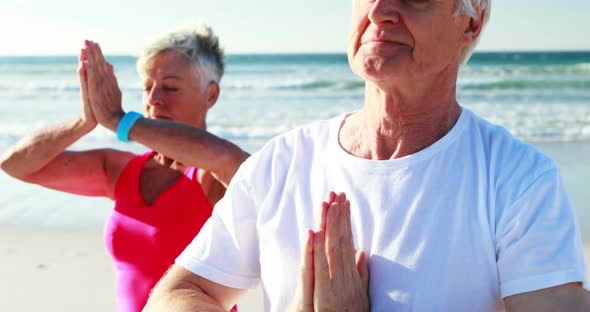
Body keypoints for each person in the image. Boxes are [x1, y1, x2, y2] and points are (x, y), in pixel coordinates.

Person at [101, 1, 590, 311]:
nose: (380, 10)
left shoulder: (518, 182)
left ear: (471, 21)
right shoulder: (281, 163)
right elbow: (176, 296)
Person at [0, 25, 246, 312]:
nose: (154, 99)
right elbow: (15, 164)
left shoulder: (214, 175)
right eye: (147, 87)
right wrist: (86, 121)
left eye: (170, 87)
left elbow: (227, 158)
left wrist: (121, 121)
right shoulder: (124, 171)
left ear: (211, 95)